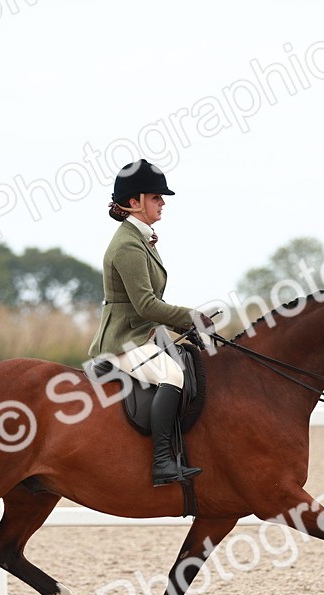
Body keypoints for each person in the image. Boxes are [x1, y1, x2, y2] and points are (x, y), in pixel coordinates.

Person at [88, 159, 213, 487]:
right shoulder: (128, 244)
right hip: (123, 340)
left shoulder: (140, 238)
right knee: (172, 375)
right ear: (135, 202)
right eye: (156, 197)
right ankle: (162, 463)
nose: (163, 202)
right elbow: (145, 305)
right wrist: (191, 317)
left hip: (141, 334)